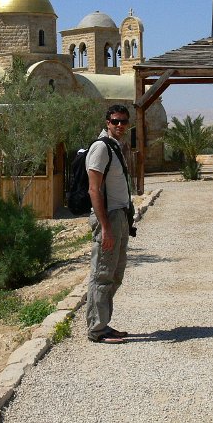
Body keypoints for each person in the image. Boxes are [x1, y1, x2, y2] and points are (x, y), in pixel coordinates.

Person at [85, 104, 133, 344]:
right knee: (102, 273)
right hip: (109, 217)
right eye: (116, 121)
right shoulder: (101, 148)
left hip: (120, 216)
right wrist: (105, 227)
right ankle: (96, 328)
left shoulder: (116, 146)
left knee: (115, 272)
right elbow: (93, 189)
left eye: (124, 121)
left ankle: (103, 323)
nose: (120, 125)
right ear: (107, 122)